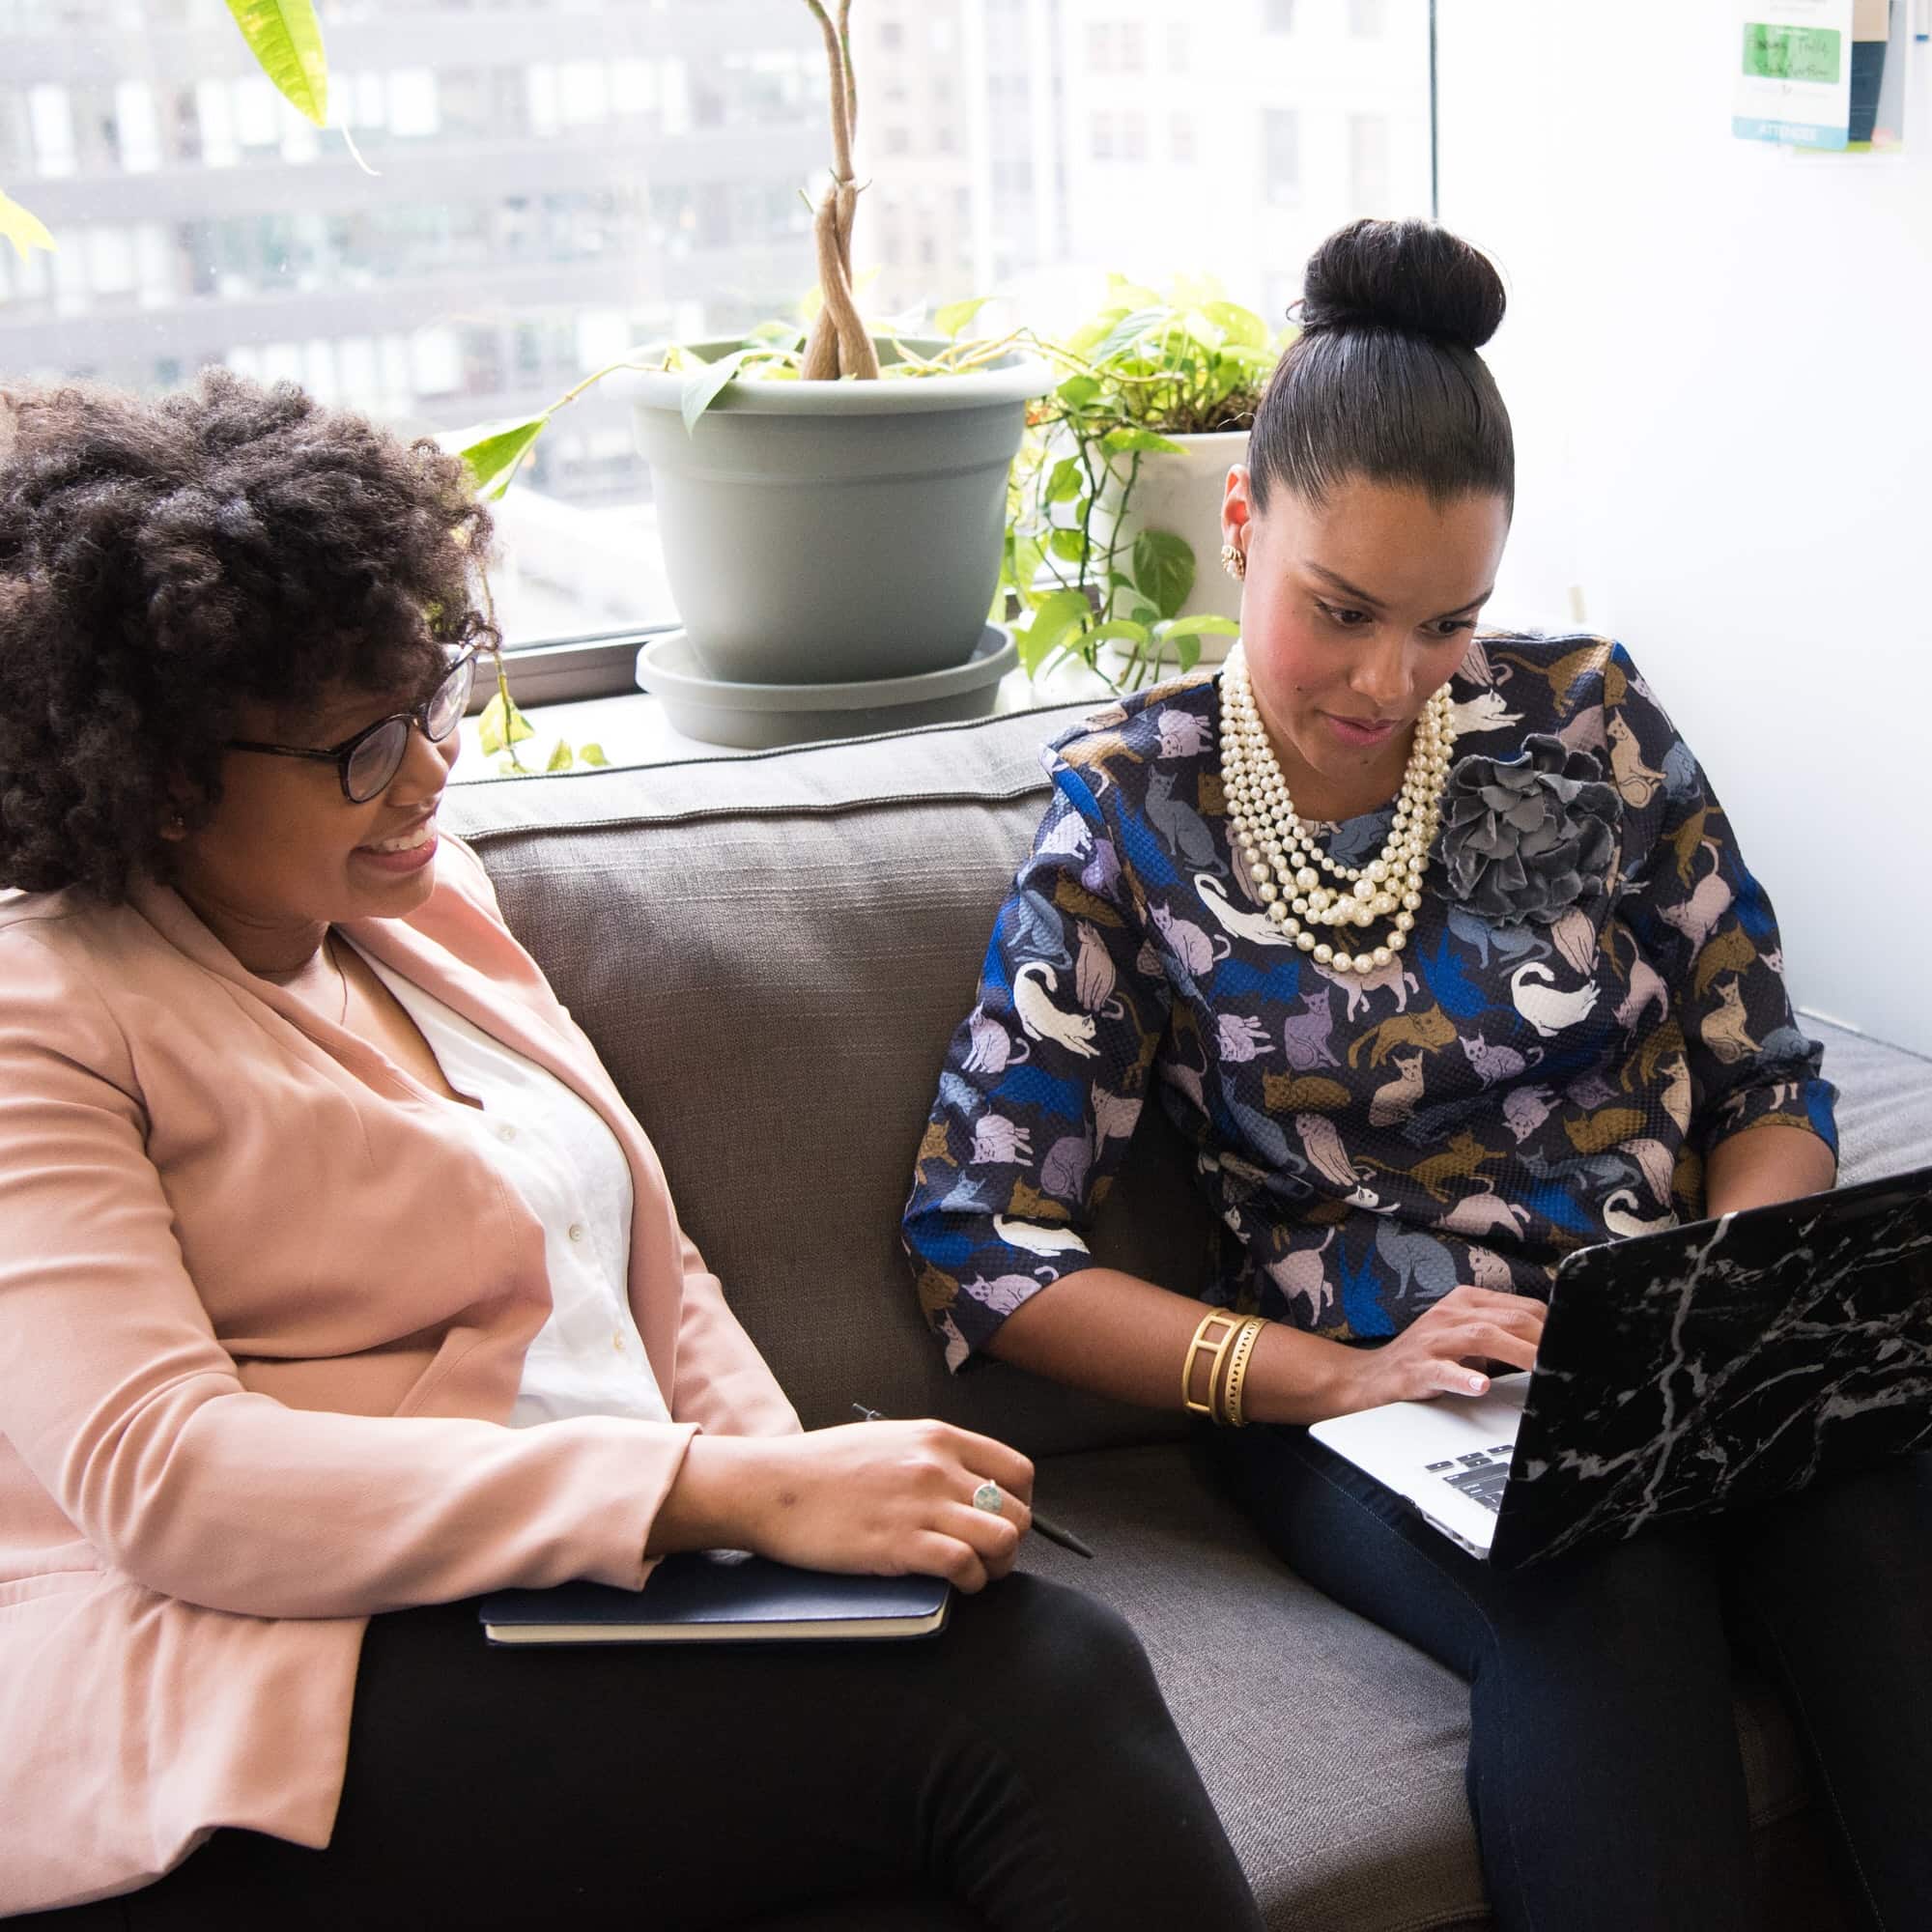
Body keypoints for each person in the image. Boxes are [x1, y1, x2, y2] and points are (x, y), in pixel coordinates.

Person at [0, 372, 1263, 1931]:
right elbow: (166, 1481)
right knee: (1047, 1683)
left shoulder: (422, 903)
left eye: (435, 697)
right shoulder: (45, 1004)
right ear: (164, 769)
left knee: (940, 1793)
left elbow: (657, 1282)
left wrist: (805, 1497)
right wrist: (721, 1497)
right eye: (359, 742)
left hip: (566, 1600)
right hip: (272, 1665)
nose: (428, 771)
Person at [903, 218, 1932, 1932]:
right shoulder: (1128, 817)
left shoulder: (1588, 723)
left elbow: (1765, 1078)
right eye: (1343, 611)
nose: (1393, 681)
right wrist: (1333, 1378)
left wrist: (1728, 1292)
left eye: (1448, 622)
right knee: (1597, 1575)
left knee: (1872, 1516)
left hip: (1660, 1342)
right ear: (1243, 529)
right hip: (1374, 1400)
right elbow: (980, 1241)